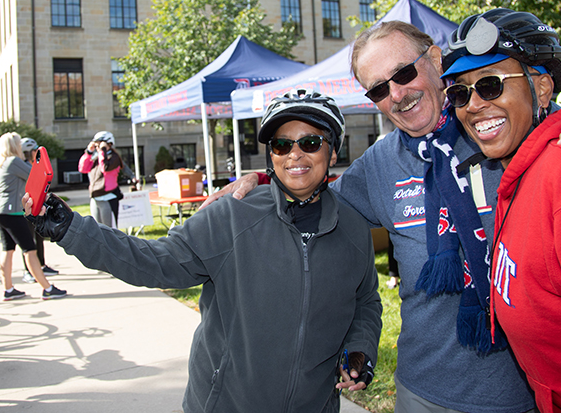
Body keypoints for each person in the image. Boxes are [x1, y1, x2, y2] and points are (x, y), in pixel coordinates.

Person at [202, 20, 561, 413]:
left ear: (434, 60)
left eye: (403, 73)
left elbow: (549, 117)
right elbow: (317, 199)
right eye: (380, 89)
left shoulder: (504, 127)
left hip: (522, 395)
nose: (397, 95)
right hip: (422, 390)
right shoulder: (380, 165)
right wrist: (267, 177)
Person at [24, 90, 382, 413]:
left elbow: (365, 301)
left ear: (333, 150)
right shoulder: (232, 215)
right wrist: (71, 228)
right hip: (225, 404)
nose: (295, 155)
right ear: (270, 154)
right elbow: (154, 263)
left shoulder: (351, 227)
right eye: (281, 145)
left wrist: (361, 348)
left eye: (311, 142)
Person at [440, 8, 561, 412]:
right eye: (460, 93)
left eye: (490, 85)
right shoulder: (521, 173)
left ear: (541, 87)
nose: (473, 106)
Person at [0, 132, 66, 301]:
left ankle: (8, 289)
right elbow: (36, 176)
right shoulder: (13, 161)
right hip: (12, 212)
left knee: (8, 249)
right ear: (15, 146)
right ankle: (47, 288)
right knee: (30, 250)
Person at [19, 137, 58, 284]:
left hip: (37, 206)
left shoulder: (31, 164)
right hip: (25, 208)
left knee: (39, 236)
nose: (37, 153)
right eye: (34, 150)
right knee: (28, 241)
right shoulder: (22, 165)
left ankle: (41, 264)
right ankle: (28, 271)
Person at [78, 131, 126, 228]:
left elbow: (105, 168)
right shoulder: (97, 157)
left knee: (110, 230)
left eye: (100, 144)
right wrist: (89, 152)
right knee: (98, 229)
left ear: (109, 144)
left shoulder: (113, 157)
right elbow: (83, 169)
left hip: (108, 197)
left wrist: (102, 150)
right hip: (95, 197)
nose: (98, 147)